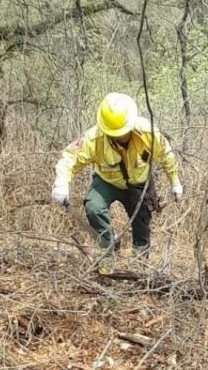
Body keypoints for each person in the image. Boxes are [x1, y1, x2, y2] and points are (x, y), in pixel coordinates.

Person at [51, 92, 182, 274]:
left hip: (138, 185)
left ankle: (138, 266)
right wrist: (61, 182)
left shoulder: (148, 133)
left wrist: (174, 181)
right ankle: (107, 251)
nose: (120, 137)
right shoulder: (94, 138)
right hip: (107, 181)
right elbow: (70, 157)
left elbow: (167, 155)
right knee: (94, 207)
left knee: (141, 226)